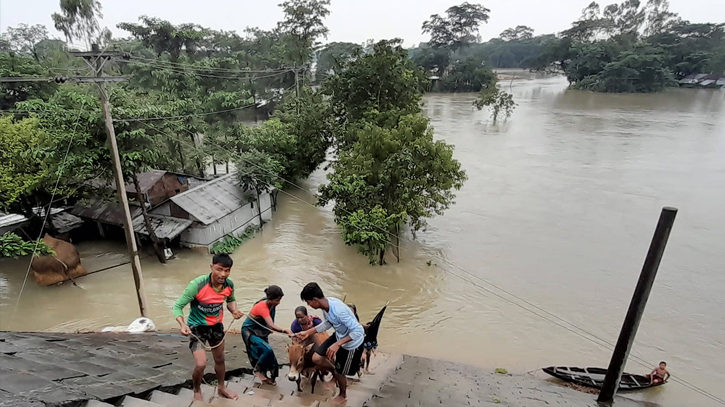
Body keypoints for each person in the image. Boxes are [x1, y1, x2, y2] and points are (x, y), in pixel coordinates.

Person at [173, 253, 243, 401]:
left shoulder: (229, 284)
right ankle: (197, 389)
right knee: (201, 364)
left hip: (216, 326)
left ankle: (222, 387)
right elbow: (177, 307)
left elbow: (231, 300)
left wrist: (234, 310)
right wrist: (182, 324)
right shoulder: (197, 285)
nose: (223, 274)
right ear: (211, 267)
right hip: (197, 327)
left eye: (227, 270)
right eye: (219, 269)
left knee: (220, 359)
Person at [296, 283, 365, 405]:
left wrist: (338, 344)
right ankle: (335, 373)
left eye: (308, 302)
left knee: (341, 371)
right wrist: (308, 332)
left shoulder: (338, 310)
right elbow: (328, 323)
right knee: (317, 358)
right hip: (339, 335)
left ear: (315, 300)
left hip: (351, 343)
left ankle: (343, 394)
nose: (308, 305)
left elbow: (359, 331)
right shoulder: (327, 306)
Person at [241, 285, 293, 385]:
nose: (279, 303)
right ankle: (257, 370)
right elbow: (271, 325)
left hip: (261, 331)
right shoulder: (262, 307)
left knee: (270, 356)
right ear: (270, 299)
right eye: (277, 300)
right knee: (267, 350)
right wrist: (285, 330)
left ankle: (271, 377)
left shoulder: (271, 304)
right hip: (250, 332)